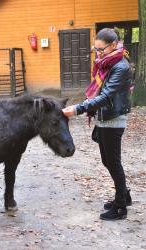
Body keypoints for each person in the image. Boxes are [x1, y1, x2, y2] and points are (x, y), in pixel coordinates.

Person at [62, 28, 132, 221]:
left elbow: (106, 95)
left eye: (101, 49)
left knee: (113, 163)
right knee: (107, 161)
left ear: (112, 45)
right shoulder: (107, 63)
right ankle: (124, 195)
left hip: (113, 119)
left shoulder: (120, 66)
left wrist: (77, 109)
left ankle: (120, 208)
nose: (98, 53)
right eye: (96, 49)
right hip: (104, 117)